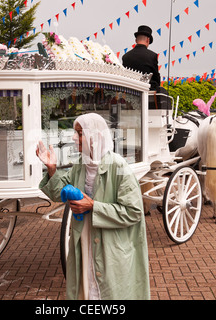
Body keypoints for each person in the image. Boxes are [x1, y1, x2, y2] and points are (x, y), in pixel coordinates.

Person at [36, 113, 150, 300]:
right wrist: (52, 169)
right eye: (75, 132)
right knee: (88, 291)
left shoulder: (118, 167)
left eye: (79, 133)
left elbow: (134, 212)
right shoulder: (81, 165)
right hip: (86, 242)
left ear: (95, 136)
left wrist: (93, 206)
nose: (74, 137)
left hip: (110, 248)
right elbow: (59, 193)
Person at [122, 25, 161, 90]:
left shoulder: (125, 56)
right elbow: (156, 79)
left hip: (129, 90)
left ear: (136, 40)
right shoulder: (152, 56)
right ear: (148, 40)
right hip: (146, 91)